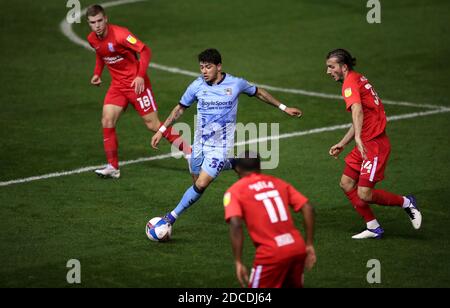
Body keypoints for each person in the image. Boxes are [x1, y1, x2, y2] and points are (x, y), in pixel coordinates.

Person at [151, 48, 302, 225]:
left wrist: (284, 107)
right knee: (196, 180)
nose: (204, 71)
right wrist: (161, 130)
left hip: (220, 146)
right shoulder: (196, 86)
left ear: (219, 66)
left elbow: (259, 92)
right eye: (201, 67)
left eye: (208, 67)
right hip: (199, 144)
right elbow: (179, 109)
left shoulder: (235, 84)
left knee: (201, 184)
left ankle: (170, 218)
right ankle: (234, 162)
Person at [326, 48, 422, 239]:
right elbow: (361, 118)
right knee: (346, 183)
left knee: (365, 194)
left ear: (343, 67)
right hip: (366, 142)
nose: (328, 71)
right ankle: (373, 227)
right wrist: (344, 142)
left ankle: (406, 202)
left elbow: (358, 111)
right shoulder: (357, 78)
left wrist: (359, 138)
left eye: (331, 67)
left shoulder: (349, 84)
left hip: (374, 145)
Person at [86, 4, 190, 179]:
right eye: (92, 22)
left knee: (153, 125)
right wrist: (97, 73)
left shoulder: (121, 34)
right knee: (107, 120)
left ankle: (189, 151)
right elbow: (100, 53)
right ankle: (113, 167)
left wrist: (140, 76)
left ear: (106, 19)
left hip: (137, 85)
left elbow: (145, 50)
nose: (97, 25)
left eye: (99, 21)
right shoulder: (92, 39)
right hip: (117, 86)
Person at [224, 152, 316, 288]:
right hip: (297, 248)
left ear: (237, 169)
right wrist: (308, 244)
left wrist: (238, 261)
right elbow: (308, 207)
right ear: (260, 166)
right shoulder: (278, 182)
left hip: (270, 254)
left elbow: (236, 224)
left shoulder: (234, 191)